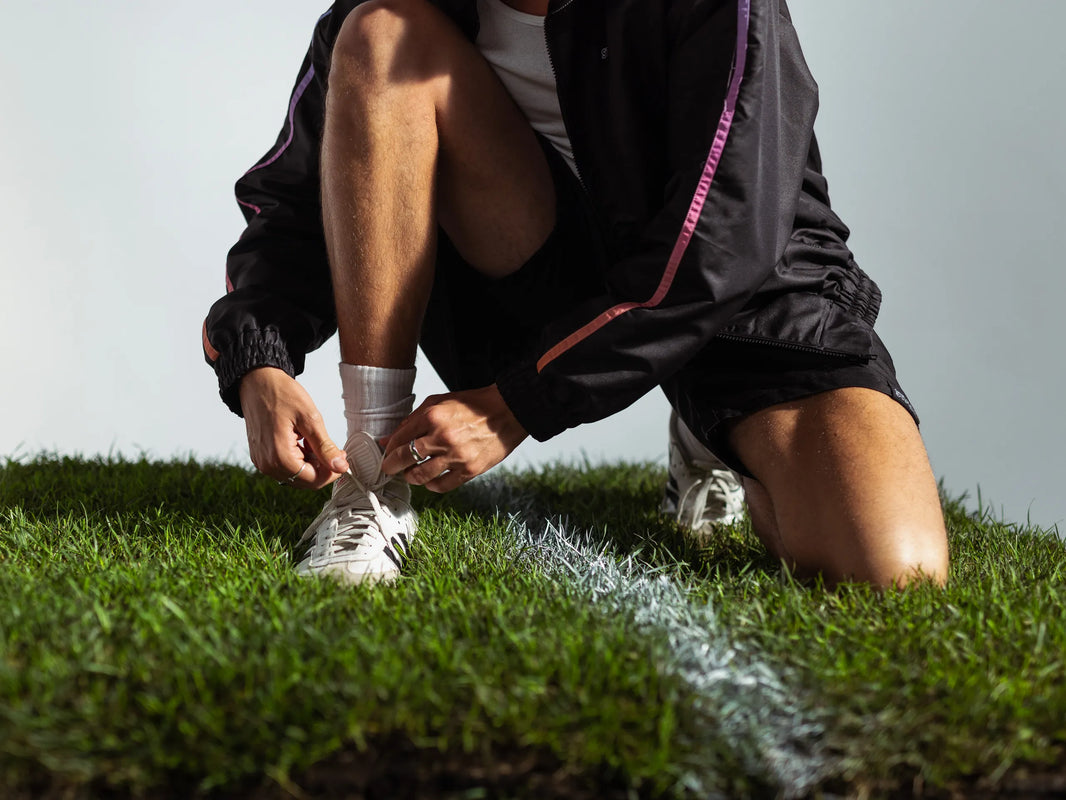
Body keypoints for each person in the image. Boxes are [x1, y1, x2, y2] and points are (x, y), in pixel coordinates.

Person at [203, 0, 949, 588]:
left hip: (742, 301)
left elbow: (728, 236)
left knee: (893, 572)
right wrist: (259, 362)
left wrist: (523, 402)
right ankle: (369, 481)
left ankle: (711, 438)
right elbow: (291, 209)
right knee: (382, 34)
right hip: (533, 273)